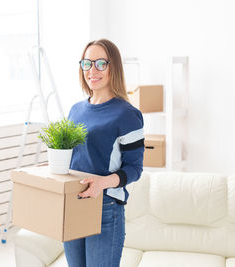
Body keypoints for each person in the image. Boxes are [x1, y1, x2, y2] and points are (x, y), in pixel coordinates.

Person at [64, 39, 145, 267]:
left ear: (114, 67)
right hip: (73, 202)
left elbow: (134, 169)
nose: (92, 70)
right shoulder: (76, 110)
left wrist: (101, 183)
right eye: (87, 63)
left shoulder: (127, 114)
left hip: (105, 207)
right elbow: (74, 155)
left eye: (101, 63)